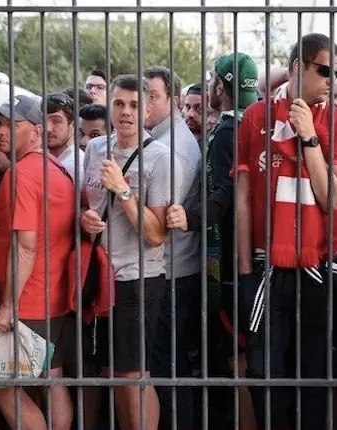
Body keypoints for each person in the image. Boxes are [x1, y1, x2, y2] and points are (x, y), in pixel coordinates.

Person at [236, 33, 337, 430]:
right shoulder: (255, 117)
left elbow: (332, 198)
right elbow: (241, 199)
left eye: (336, 72)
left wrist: (308, 137)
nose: (331, 80)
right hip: (265, 267)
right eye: (324, 70)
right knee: (264, 374)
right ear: (296, 67)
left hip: (318, 265)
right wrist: (244, 273)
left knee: (315, 377)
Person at [165, 51, 262, 430]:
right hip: (250, 256)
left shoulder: (226, 132)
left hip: (231, 266)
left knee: (238, 360)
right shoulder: (255, 124)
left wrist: (191, 217)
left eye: (211, 81)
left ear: (221, 86)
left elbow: (226, 192)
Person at [81, 74, 172, 430]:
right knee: (112, 373)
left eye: (135, 105)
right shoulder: (95, 148)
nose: (126, 112)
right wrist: (84, 219)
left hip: (139, 278)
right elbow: (84, 204)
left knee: (134, 374)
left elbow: (156, 234)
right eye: (119, 104)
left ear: (148, 109)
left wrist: (123, 190)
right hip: (100, 275)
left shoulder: (159, 158)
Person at [0, 94, 76, 430]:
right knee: (52, 382)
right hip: (55, 296)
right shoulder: (56, 169)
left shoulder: (22, 175)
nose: (1, 132)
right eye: (0, 124)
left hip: (29, 302)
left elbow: (26, 245)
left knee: (1, 387)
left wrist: (8, 306)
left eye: (12, 124)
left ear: (36, 131)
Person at [142, 65, 201, 430]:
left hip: (171, 271)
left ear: (174, 101)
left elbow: (161, 221)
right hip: (170, 269)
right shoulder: (163, 139)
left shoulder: (172, 148)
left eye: (152, 95)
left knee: (167, 367)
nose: (144, 103)